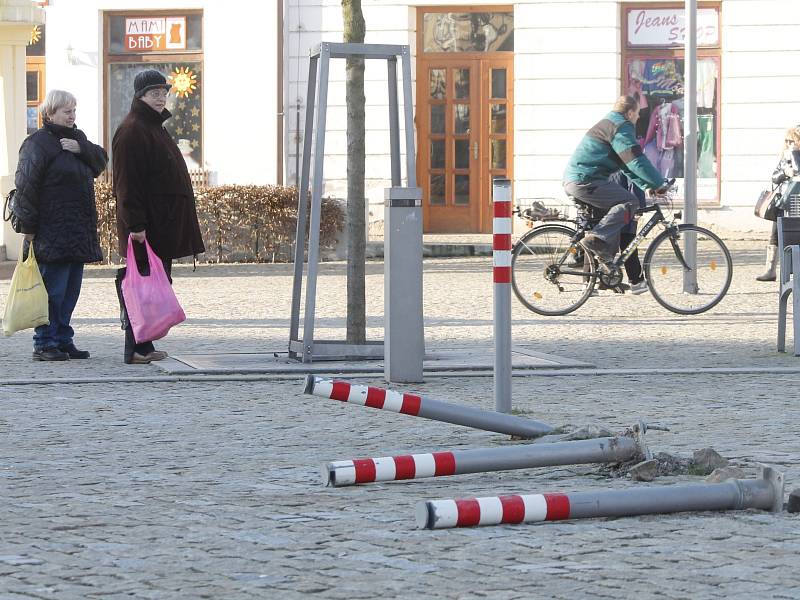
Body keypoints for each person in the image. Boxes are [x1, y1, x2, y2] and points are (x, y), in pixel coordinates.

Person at [112, 69, 205, 364]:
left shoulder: (152, 126)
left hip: (160, 225)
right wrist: (135, 225)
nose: (161, 97)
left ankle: (146, 345)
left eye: (164, 92)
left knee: (154, 286)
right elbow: (127, 183)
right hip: (146, 227)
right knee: (141, 288)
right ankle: (135, 349)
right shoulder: (132, 130)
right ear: (140, 96)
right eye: (154, 93)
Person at [13, 89, 108, 361]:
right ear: (50, 113)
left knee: (69, 291)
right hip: (50, 230)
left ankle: (64, 339)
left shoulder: (77, 139)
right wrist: (28, 227)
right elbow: (26, 187)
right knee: (51, 291)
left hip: (76, 230)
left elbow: (100, 162)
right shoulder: (37, 144)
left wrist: (81, 149)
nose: (72, 116)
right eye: (67, 111)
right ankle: (44, 342)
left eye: (74, 111)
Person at [563, 95, 670, 265]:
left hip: (580, 179)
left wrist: (649, 185)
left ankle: (607, 275)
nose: (639, 117)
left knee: (609, 221)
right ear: (629, 113)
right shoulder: (620, 126)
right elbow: (635, 159)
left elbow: (626, 165)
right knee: (629, 201)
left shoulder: (611, 122)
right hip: (586, 180)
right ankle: (595, 240)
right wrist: (659, 183)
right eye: (637, 113)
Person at [756, 126, 800, 282]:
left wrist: (794, 154)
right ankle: (770, 270)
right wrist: (783, 173)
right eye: (787, 141)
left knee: (793, 235)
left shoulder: (794, 156)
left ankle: (793, 269)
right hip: (784, 201)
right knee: (774, 235)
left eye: (792, 141)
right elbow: (774, 177)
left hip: (797, 202)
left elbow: (798, 169)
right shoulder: (785, 157)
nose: (789, 144)